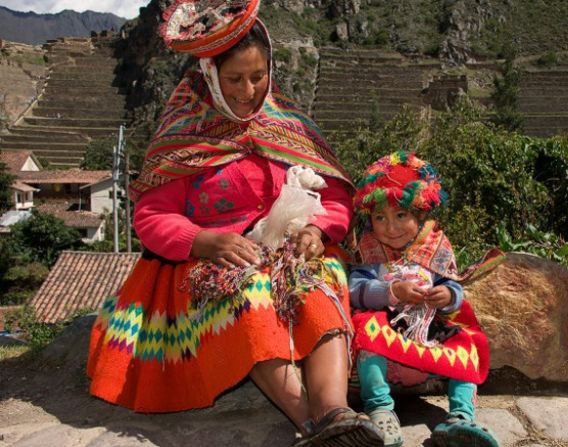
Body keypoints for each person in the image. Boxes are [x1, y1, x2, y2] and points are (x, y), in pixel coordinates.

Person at [86, 1, 382, 446]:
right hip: (212, 260)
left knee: (321, 282)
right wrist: (204, 240)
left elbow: (336, 192)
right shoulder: (183, 132)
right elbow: (151, 217)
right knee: (249, 295)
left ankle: (334, 410)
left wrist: (318, 230)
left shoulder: (288, 125)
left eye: (258, 76)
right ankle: (310, 423)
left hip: (288, 249)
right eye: (235, 79)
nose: (248, 90)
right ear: (209, 75)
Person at [349, 151, 502, 447]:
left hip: (429, 327)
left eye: (401, 216)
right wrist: (391, 292)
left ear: (420, 215)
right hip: (387, 327)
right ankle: (380, 410)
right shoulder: (367, 251)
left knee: (467, 343)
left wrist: (446, 296)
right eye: (380, 218)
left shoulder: (436, 247)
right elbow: (356, 290)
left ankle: (461, 418)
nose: (390, 227)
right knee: (367, 332)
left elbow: (453, 286)